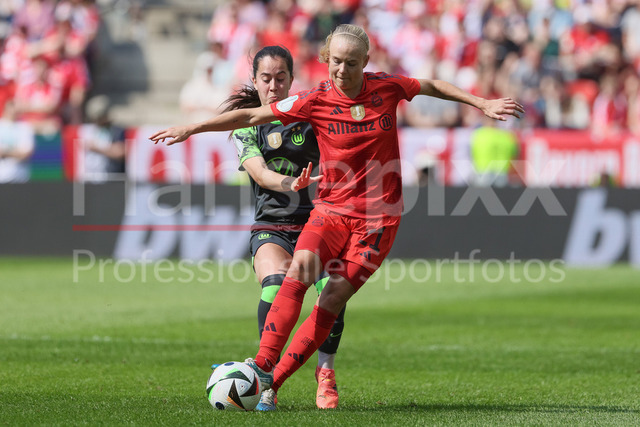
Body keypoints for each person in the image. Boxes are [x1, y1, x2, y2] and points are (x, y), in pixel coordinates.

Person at [150, 24, 524, 407]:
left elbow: (431, 85)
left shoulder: (387, 87)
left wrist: (481, 103)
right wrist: (193, 127)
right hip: (330, 212)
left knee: (331, 298)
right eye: (337, 62)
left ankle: (274, 382)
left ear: (366, 61)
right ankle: (262, 365)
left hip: (379, 222)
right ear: (327, 59)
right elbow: (250, 117)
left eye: (352, 63)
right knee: (297, 273)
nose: (343, 70)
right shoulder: (313, 100)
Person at [217, 45, 348, 410]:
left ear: (291, 79)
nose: (273, 86)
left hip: (318, 222)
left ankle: (326, 373)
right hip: (271, 226)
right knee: (276, 287)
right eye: (266, 79)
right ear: (254, 80)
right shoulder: (247, 126)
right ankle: (267, 380)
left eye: (280, 78)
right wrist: (290, 183)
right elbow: (259, 173)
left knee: (330, 291)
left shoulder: (312, 116)